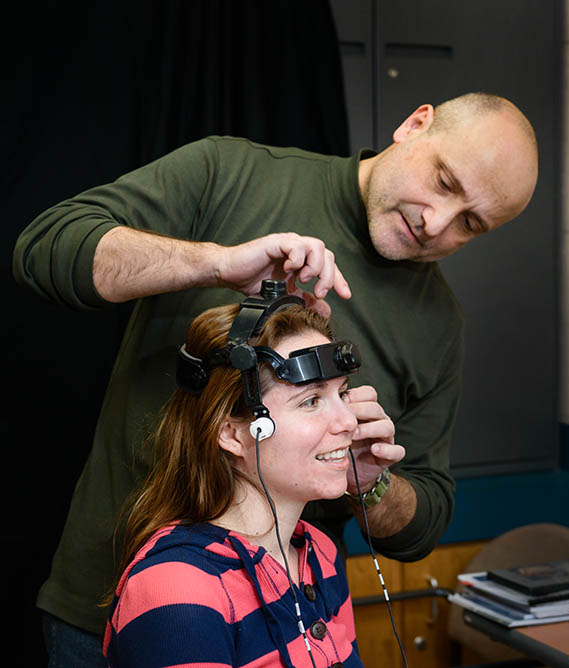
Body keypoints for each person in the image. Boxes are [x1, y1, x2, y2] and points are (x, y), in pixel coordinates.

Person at [14, 92, 539, 665]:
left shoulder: (439, 323)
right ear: (415, 125)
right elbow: (47, 247)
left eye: (470, 223)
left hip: (295, 620)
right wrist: (213, 263)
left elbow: (423, 522)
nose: (435, 223)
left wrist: (372, 483)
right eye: (443, 182)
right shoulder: (231, 172)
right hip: (108, 606)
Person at [105, 295, 390, 667]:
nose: (348, 423)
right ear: (234, 434)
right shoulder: (176, 587)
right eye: (310, 401)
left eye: (342, 393)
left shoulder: (320, 555)